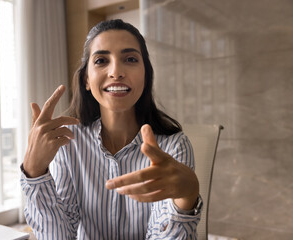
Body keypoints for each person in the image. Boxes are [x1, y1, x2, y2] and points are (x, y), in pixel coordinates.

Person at [20, 19, 202, 240]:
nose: (116, 71)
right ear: (86, 79)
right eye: (101, 60)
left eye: (130, 59)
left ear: (146, 75)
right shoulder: (67, 142)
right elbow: (58, 236)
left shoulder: (174, 145)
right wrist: (34, 172)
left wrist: (188, 197)